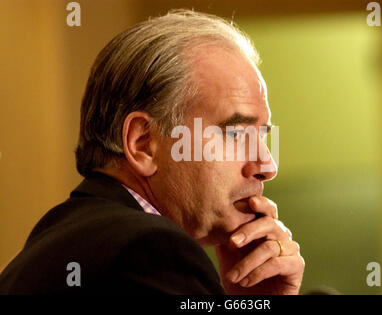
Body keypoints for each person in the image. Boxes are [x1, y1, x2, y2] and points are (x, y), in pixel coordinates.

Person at [0, 9, 304, 295]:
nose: (267, 164)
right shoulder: (150, 251)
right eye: (236, 133)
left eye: (263, 136)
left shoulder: (63, 239)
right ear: (142, 144)